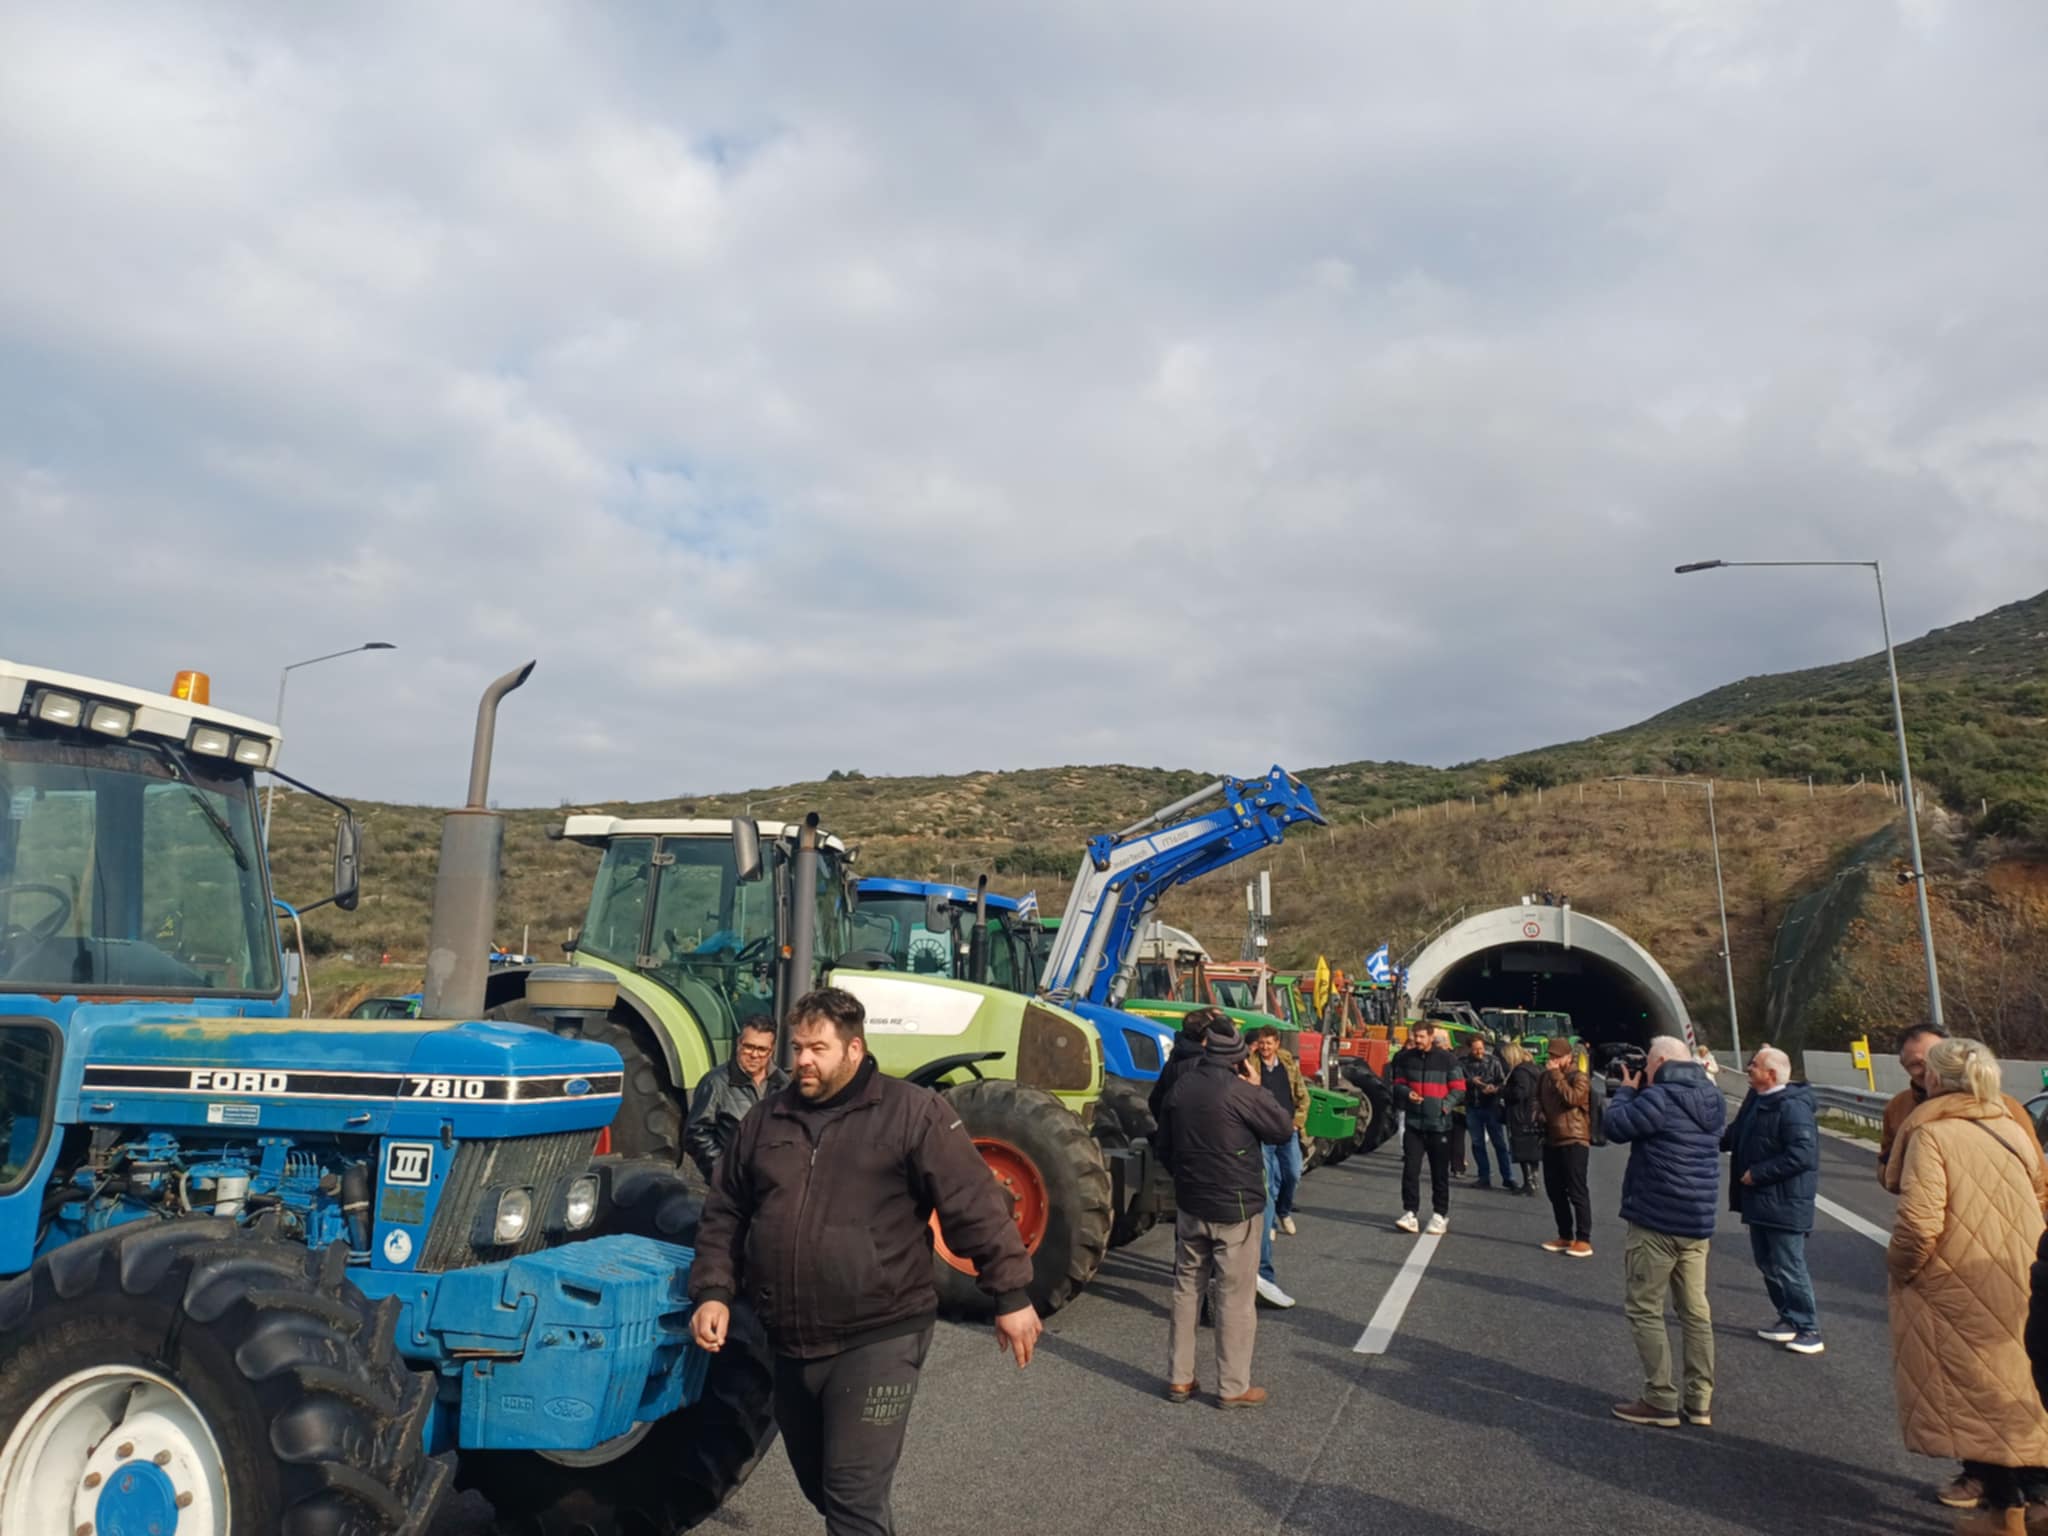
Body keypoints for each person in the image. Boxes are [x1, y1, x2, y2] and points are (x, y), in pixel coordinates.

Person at [689, 987, 1041, 1536]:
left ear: (854, 1050)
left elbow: (972, 1200)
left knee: (852, 1494)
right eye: (799, 1047)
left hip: (880, 1334)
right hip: (788, 1337)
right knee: (821, 1485)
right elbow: (726, 1208)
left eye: (818, 1049)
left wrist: (1011, 1294)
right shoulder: (767, 1120)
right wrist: (713, 1290)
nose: (803, 1059)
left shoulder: (912, 1113)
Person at [1881, 1021, 2046, 1512]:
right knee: (2016, 1379)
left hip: (1955, 1275)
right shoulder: (2008, 1123)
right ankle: (2035, 1502)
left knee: (1974, 1387)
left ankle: (2002, 1511)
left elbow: (1919, 1222)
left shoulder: (1932, 1132)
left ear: (1935, 1078)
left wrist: (1902, 1267)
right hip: (2016, 1265)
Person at [1157, 1017, 1298, 1409]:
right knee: (1234, 1297)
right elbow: (1282, 1128)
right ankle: (1233, 1386)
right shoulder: (1241, 1091)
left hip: (1191, 1203)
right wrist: (1258, 1087)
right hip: (1235, 1206)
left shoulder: (1181, 1087)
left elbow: (1163, 1146)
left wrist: (1185, 1179)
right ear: (1238, 1057)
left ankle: (1179, 1378)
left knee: (1187, 1290)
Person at [1602, 1035, 1725, 1429]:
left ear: (1657, 1063)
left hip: (1656, 1219)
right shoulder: (1713, 1097)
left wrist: (1625, 1092)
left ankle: (1659, 1398)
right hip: (1697, 1221)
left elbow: (1614, 1127)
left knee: (1645, 1307)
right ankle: (1700, 1401)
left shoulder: (1658, 1098)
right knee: (1695, 1311)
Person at [1724, 1046, 1823, 1355]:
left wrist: (1759, 1173)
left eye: (1754, 1065)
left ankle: (1809, 1328)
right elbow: (1734, 1135)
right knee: (1767, 1262)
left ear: (1772, 1074)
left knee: (1789, 1265)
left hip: (1785, 1202)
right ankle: (1788, 1318)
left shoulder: (1792, 1107)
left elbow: (1802, 1154)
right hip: (1761, 1201)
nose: (1748, 1068)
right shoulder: (1756, 1100)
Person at [683, 1018, 789, 1181]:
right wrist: (723, 1174)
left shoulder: (784, 1084)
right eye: (749, 1047)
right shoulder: (715, 1083)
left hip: (771, 1186)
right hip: (731, 1187)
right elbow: (696, 1133)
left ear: (772, 1050)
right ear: (738, 1044)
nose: (754, 1055)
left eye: (762, 1049)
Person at [1389, 1021, 1464, 1234]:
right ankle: (1410, 1212)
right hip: (1414, 1123)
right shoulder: (1405, 1059)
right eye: (1416, 1037)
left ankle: (1440, 1214)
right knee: (1410, 1169)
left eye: (1421, 1037)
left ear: (1431, 1036)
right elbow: (1398, 1083)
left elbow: (1459, 1089)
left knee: (1439, 1172)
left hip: (1439, 1125)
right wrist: (1406, 1093)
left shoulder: (1448, 1060)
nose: (1418, 1041)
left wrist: (1444, 1106)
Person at [1537, 1038, 1593, 1254]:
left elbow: (1573, 1099)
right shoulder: (1544, 1078)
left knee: (1576, 1189)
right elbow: (1537, 1099)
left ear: (1569, 1057)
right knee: (1554, 1190)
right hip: (1551, 1138)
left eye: (1557, 1057)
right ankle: (1565, 1235)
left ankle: (1584, 1239)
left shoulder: (1578, 1077)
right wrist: (1538, 1113)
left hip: (1574, 1138)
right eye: (1551, 1057)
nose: (1553, 1061)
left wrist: (1556, 1075)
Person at [1252, 1026, 1309, 1235]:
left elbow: (1303, 1096)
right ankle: (1271, 1224)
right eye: (1262, 1043)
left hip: (1287, 1129)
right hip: (1264, 1130)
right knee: (1268, 1180)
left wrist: (1297, 1121)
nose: (1265, 1047)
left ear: (1277, 1044)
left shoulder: (1288, 1066)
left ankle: (1284, 1210)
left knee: (1293, 1173)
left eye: (1269, 1043)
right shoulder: (1251, 1064)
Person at [1463, 1034, 1516, 1190]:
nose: (1479, 1052)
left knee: (1499, 1144)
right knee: (1478, 1144)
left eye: (1481, 1048)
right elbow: (1458, 1081)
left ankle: (1508, 1177)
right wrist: (1470, 1082)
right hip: (1472, 1106)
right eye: (1475, 1049)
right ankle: (1484, 1177)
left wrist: (1495, 1089)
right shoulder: (1463, 1063)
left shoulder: (1494, 1061)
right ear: (1469, 1049)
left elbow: (1501, 1081)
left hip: (1491, 1106)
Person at [1501, 1042, 1545, 1197]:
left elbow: (1520, 1093)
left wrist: (1502, 1090)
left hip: (1520, 1114)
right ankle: (1533, 1181)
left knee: (1522, 1150)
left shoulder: (1519, 1071)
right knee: (1532, 1150)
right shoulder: (1535, 1068)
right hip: (1532, 1114)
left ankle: (1528, 1183)